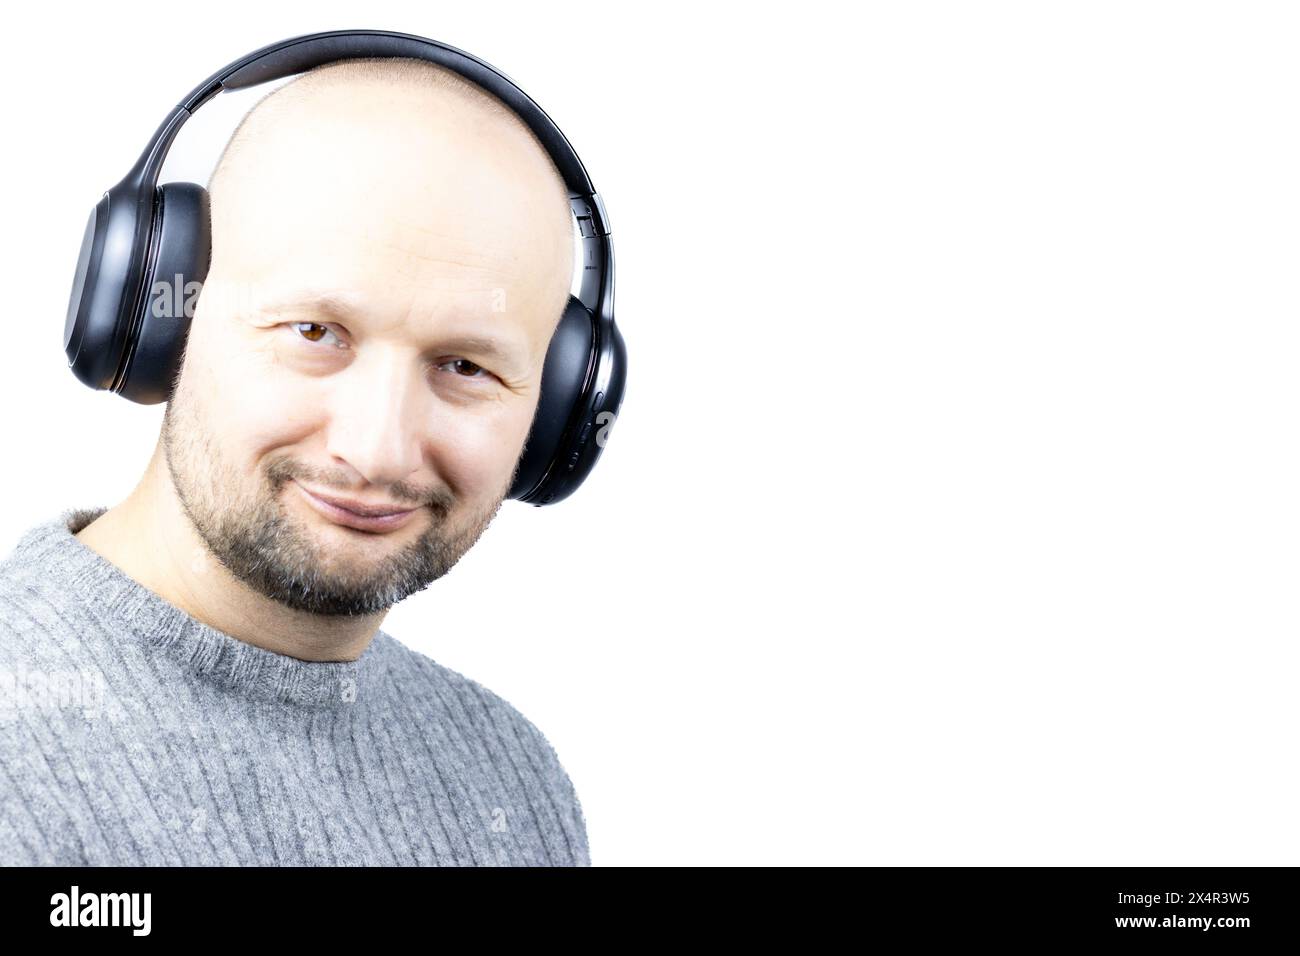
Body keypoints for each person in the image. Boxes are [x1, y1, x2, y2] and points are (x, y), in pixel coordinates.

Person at [0, 56, 589, 866]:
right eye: (314, 333)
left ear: (552, 414)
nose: (377, 448)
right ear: (161, 316)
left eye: (466, 367)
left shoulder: (514, 785)